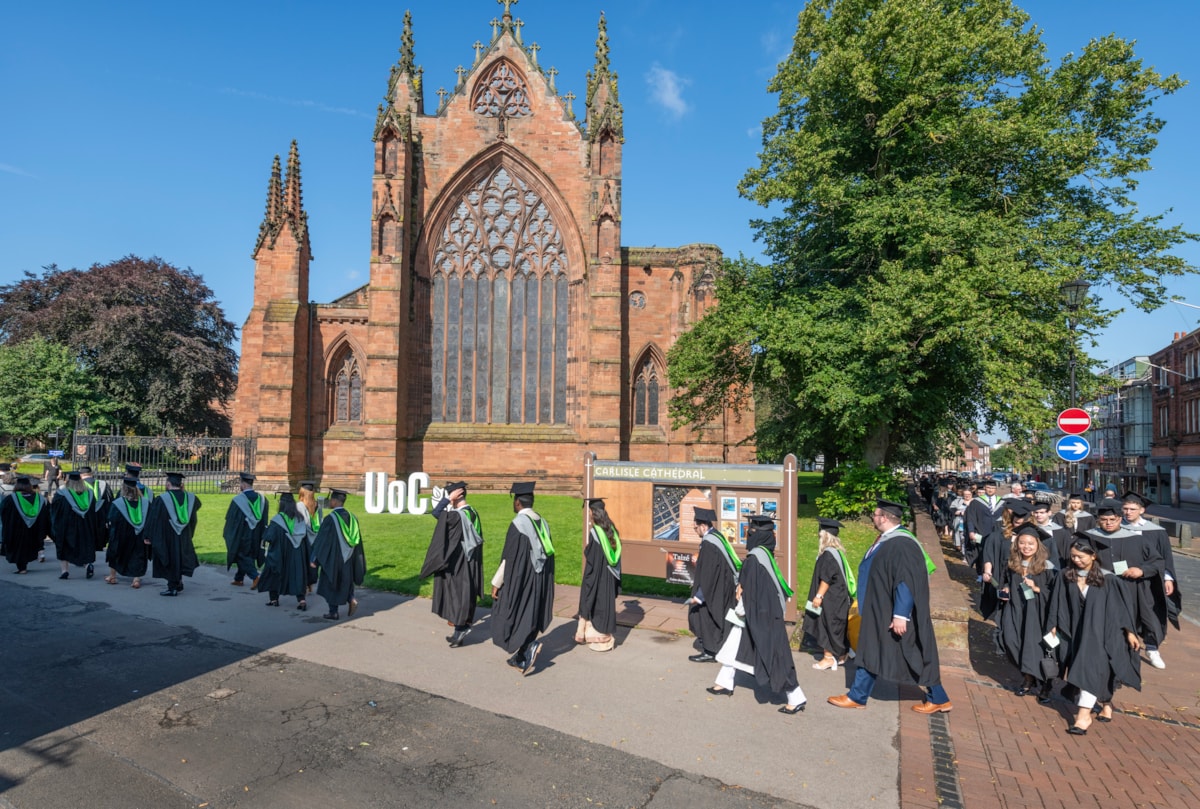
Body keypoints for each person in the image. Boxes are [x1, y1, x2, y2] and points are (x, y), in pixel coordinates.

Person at [828, 499, 949, 713]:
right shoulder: (888, 539)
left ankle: (938, 697)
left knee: (912, 653)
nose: (873, 518)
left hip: (893, 612)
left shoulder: (902, 543)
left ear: (884, 517)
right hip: (880, 608)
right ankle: (858, 695)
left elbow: (906, 581)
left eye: (875, 515)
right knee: (871, 650)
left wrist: (901, 614)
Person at [708, 514, 807, 714]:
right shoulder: (765, 555)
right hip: (764, 613)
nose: (748, 536)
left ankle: (795, 696)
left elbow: (749, 592)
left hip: (762, 617)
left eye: (750, 532)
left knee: (775, 655)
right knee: (735, 643)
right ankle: (724, 681)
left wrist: (740, 608)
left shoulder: (754, 559)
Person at [1045, 537, 1142, 735]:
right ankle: (1106, 702)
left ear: (1093, 556)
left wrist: (1130, 633)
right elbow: (1056, 601)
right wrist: (1053, 625)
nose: (1076, 560)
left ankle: (1082, 717)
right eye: (1073, 556)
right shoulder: (1066, 575)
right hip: (1074, 631)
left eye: (1080, 557)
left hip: (1101, 633)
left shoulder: (1109, 579)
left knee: (1089, 668)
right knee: (1089, 669)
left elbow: (1122, 609)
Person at [1085, 498, 1163, 672]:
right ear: (1098, 520)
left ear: (1120, 519)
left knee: (1126, 631)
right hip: (1099, 591)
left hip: (1129, 592)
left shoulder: (1136, 540)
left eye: (1113, 519)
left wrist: (1141, 570)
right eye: (1104, 520)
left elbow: (1157, 561)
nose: (1108, 523)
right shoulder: (1089, 537)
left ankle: (1122, 668)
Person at [491, 481, 555, 676]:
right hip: (541, 576)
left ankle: (527, 647)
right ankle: (520, 656)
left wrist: (496, 582)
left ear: (518, 502)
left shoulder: (518, 524)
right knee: (532, 613)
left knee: (512, 612)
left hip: (523, 577)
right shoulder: (542, 522)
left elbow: (509, 559)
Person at [420, 481, 485, 647]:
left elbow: (437, 514)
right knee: (464, 594)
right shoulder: (473, 512)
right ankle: (459, 631)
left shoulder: (457, 516)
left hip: (460, 561)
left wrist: (447, 499)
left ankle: (461, 628)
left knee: (457, 594)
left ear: (457, 496)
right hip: (471, 559)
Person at [1119, 491, 1179, 670]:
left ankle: (1152, 648)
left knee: (1151, 614)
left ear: (1142, 510)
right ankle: (1125, 649)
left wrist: (1168, 578)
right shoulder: (1116, 529)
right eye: (1125, 509)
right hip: (1124, 579)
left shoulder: (1156, 532)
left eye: (1132, 509)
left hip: (1150, 581)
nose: (1128, 512)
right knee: (1125, 612)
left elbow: (1165, 556)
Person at [997, 523, 1056, 699]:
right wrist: (1006, 588)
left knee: (1037, 648)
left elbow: (1055, 593)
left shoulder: (1047, 567)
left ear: (1038, 545)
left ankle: (1043, 684)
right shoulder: (1011, 563)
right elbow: (1005, 581)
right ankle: (1028, 675)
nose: (1026, 547)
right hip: (1016, 609)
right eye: (1022, 543)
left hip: (1038, 614)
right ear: (1017, 544)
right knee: (1012, 641)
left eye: (1030, 543)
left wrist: (1037, 589)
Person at [686, 507, 740, 663]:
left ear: (703, 526)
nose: (695, 530)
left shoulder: (709, 543)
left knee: (705, 615)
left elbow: (709, 573)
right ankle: (720, 648)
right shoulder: (717, 536)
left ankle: (710, 651)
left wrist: (700, 595)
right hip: (723, 584)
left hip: (715, 588)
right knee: (720, 616)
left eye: (695, 527)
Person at [802, 517, 855, 672]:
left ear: (824, 536)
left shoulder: (828, 555)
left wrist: (818, 596)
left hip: (831, 599)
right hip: (839, 597)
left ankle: (827, 658)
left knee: (827, 626)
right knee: (837, 626)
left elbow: (826, 578)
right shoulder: (837, 552)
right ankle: (841, 655)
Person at [309, 488, 365, 619]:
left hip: (334, 558)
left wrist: (314, 559)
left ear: (334, 501)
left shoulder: (330, 519)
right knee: (345, 581)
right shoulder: (353, 518)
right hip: (349, 557)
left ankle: (333, 612)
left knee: (332, 582)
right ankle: (351, 599)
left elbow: (321, 541)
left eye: (331, 500)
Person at [576, 498, 622, 652]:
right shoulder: (611, 529)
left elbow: (593, 558)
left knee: (595, 601)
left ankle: (597, 639)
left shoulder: (595, 532)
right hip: (609, 575)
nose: (588, 514)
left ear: (593, 513)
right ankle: (606, 638)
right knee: (606, 604)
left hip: (598, 575)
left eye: (589, 511)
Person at [147, 472, 201, 597]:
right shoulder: (191, 498)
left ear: (168, 483)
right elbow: (194, 513)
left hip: (167, 536)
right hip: (184, 534)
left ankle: (172, 588)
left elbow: (153, 519)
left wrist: (148, 536)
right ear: (181, 484)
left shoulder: (162, 500)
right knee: (180, 557)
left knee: (170, 558)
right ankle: (179, 582)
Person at [258, 492, 313, 610]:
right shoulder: (300, 519)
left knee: (274, 573)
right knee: (298, 575)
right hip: (297, 554)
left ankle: (274, 599)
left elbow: (269, 537)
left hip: (280, 554)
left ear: (281, 504)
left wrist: (266, 530)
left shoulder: (278, 520)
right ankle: (302, 601)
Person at [980, 499, 1032, 623]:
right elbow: (989, 551)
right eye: (1016, 522)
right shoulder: (1000, 535)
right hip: (1004, 578)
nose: (1018, 525)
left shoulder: (1035, 539)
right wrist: (987, 571)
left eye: (1022, 523)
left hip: (1024, 579)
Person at [49, 471, 100, 579]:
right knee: (84, 546)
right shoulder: (89, 493)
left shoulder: (62, 494)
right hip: (85, 526)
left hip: (67, 526)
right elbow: (93, 512)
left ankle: (64, 571)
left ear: (68, 481)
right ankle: (87, 565)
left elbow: (55, 511)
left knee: (64, 547)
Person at [223, 472, 268, 587]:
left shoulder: (238, 501)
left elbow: (231, 520)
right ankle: (239, 579)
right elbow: (264, 519)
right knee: (250, 555)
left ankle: (255, 576)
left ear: (242, 484)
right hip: (257, 534)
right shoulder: (263, 500)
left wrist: (228, 533)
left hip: (242, 535)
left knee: (240, 554)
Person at [104, 477, 151, 588]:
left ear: (124, 489)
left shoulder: (118, 503)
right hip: (139, 534)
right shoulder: (145, 502)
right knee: (138, 555)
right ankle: (136, 579)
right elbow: (150, 519)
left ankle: (112, 576)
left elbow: (112, 519)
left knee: (115, 553)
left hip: (121, 535)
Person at [1, 476, 50, 574]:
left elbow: (3, 511)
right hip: (33, 529)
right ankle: (24, 565)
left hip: (16, 529)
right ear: (29, 486)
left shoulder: (11, 499)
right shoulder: (39, 498)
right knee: (29, 546)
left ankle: (22, 567)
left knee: (18, 548)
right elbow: (45, 515)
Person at [1030, 501, 1071, 570]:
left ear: (1049, 513)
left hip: (1056, 566)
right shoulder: (1031, 529)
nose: (1038, 515)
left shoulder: (1060, 531)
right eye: (1036, 512)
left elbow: (1066, 552)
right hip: (1035, 565)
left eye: (1042, 512)